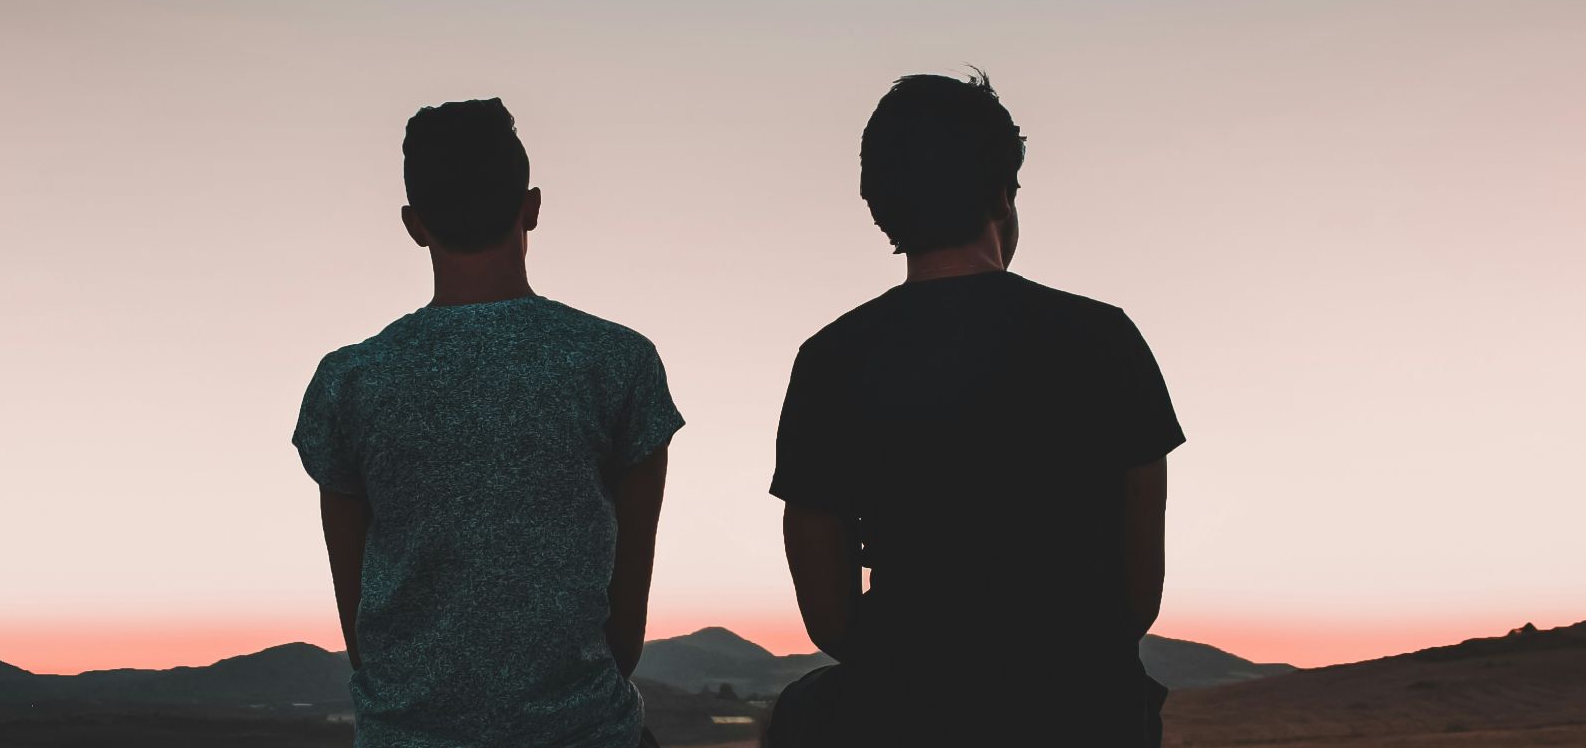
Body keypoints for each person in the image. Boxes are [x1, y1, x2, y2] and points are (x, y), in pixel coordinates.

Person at [764, 73, 1184, 747]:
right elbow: (1139, 596)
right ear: (1002, 194)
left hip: (905, 709)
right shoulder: (1106, 339)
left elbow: (829, 617)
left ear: (881, 207)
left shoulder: (830, 361)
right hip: (1087, 709)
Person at [293, 98, 683, 748]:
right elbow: (624, 630)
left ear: (414, 225)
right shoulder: (618, 364)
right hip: (584, 732)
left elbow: (363, 628)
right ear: (531, 207)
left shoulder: (350, 381)